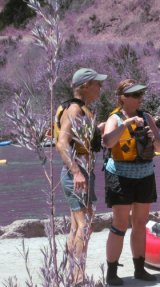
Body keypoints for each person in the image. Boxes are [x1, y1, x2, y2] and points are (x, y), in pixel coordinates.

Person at [102, 79, 160, 285]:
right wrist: (126, 125)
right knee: (120, 223)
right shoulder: (115, 118)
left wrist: (152, 138)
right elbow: (107, 141)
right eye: (135, 95)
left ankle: (139, 269)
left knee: (140, 223)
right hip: (120, 175)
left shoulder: (146, 116)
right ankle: (111, 272)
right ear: (123, 98)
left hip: (145, 175)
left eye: (140, 95)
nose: (140, 99)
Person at [55, 67, 107, 285]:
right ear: (85, 86)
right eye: (97, 84)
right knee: (85, 226)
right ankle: (78, 277)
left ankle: (71, 274)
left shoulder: (78, 108)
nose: (100, 88)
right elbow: (62, 144)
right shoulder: (75, 109)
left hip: (82, 171)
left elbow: (80, 140)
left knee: (77, 226)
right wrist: (77, 172)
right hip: (77, 173)